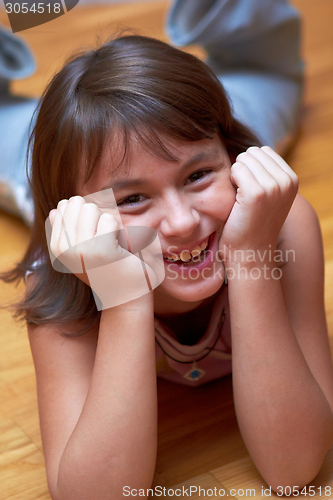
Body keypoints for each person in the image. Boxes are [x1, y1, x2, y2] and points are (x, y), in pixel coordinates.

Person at [2, 1, 333, 498]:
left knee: (265, 70)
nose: (181, 223)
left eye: (200, 175)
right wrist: (123, 295)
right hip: (40, 168)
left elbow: (294, 470)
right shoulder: (60, 270)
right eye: (132, 198)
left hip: (224, 115)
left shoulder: (278, 228)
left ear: (234, 161)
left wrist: (251, 259)